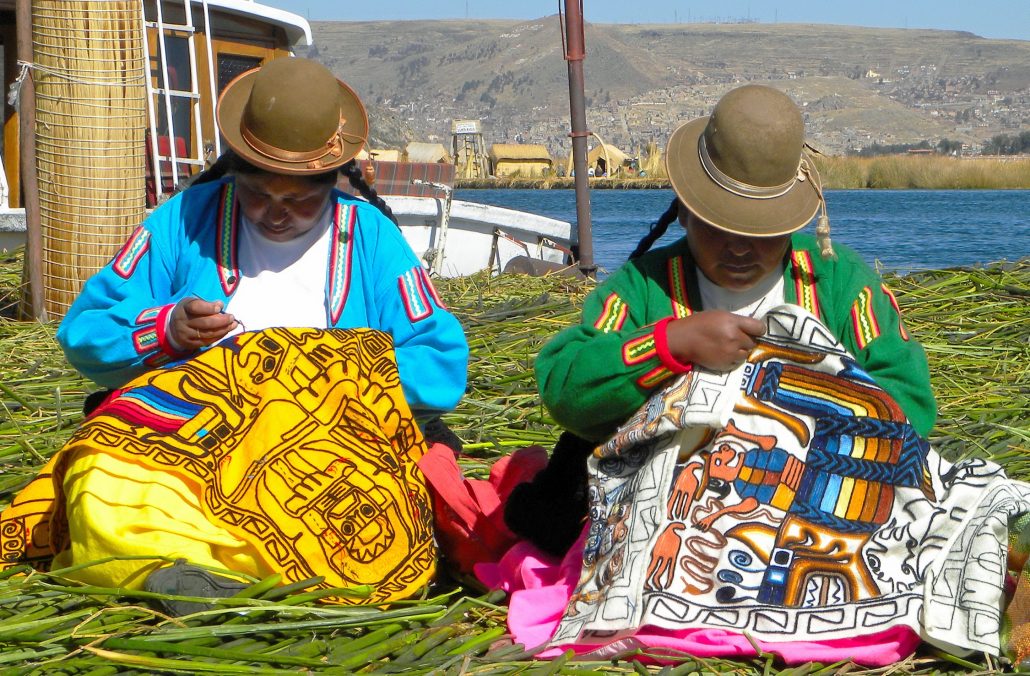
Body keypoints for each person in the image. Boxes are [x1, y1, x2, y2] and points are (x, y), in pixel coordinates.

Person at [490, 85, 1030, 666]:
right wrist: (672, 345)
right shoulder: (646, 286)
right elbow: (564, 382)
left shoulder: (837, 282)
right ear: (686, 206)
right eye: (719, 225)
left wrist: (797, 406)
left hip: (810, 517)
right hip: (681, 513)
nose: (740, 247)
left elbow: (909, 404)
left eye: (763, 229)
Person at [0, 57, 469, 612]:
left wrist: (324, 370)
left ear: (334, 182)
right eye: (257, 196)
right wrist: (165, 331)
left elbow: (441, 362)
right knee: (98, 477)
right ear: (235, 170)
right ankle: (190, 575)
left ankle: (197, 572)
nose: (274, 215)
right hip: (185, 435)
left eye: (298, 201)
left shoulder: (369, 238)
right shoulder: (184, 220)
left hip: (319, 453)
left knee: (356, 525)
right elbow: (85, 329)